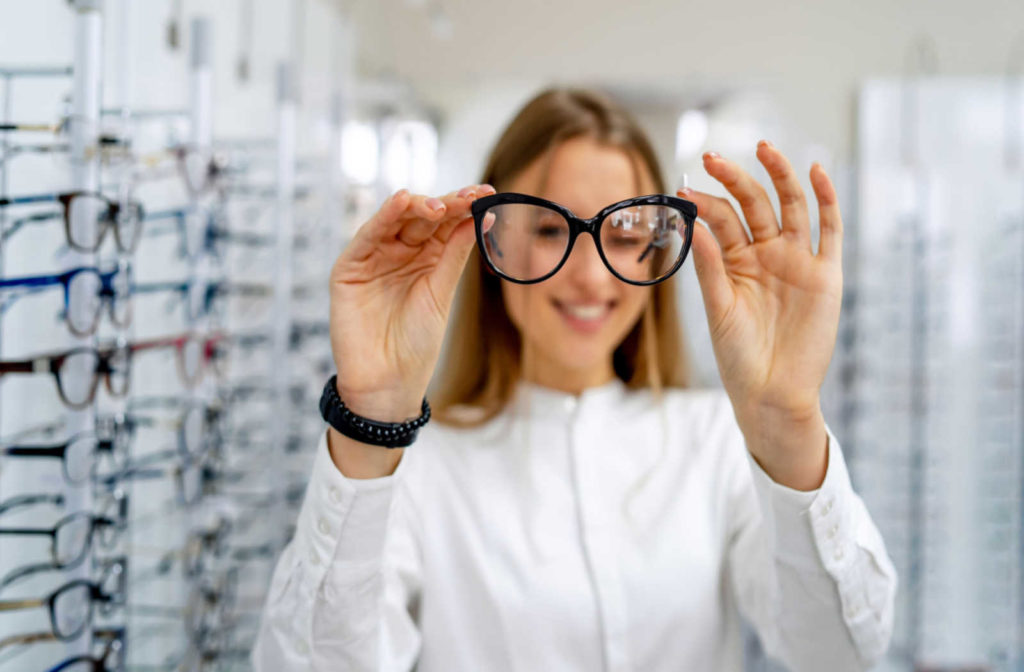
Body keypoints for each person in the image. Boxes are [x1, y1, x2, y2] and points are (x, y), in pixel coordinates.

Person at [251, 88, 897, 671]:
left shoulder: (716, 443)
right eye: (552, 228)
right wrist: (372, 419)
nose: (590, 277)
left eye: (623, 233)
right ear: (489, 240)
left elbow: (841, 652)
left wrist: (789, 425)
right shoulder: (415, 470)